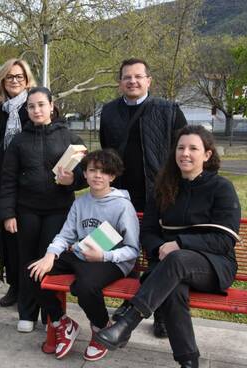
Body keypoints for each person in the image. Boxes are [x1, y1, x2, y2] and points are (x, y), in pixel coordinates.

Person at [95, 125, 241, 368]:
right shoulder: (162, 188)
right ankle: (189, 362)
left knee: (177, 260)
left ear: (206, 155)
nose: (185, 153)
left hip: (214, 266)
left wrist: (179, 244)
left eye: (193, 148)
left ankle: (128, 320)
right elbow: (149, 231)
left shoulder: (221, 188)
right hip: (169, 267)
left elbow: (225, 239)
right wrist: (160, 249)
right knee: (173, 289)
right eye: (181, 147)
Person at [99, 58, 187, 337]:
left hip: (161, 195)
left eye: (138, 76)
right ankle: (129, 306)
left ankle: (161, 314)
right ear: (120, 81)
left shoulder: (169, 110)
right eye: (127, 77)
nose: (132, 81)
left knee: (158, 254)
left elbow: (184, 150)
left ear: (149, 80)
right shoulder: (109, 111)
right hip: (122, 196)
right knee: (124, 250)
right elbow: (106, 150)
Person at [27, 149, 139, 361]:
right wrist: (50, 255)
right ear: (85, 174)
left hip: (113, 261)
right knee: (33, 271)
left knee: (84, 286)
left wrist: (104, 256)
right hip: (83, 256)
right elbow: (65, 235)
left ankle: (101, 329)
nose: (98, 175)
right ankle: (63, 324)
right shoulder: (80, 203)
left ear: (112, 176)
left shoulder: (122, 206)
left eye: (104, 172)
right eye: (92, 170)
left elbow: (132, 250)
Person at [0, 86, 86, 333]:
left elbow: (87, 173)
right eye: (31, 106)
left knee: (49, 262)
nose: (36, 110)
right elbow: (7, 180)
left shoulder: (69, 138)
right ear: (27, 109)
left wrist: (74, 181)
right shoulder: (18, 140)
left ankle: (52, 316)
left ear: (51, 105)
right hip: (26, 211)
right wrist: (8, 213)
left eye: (41, 105)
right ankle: (26, 313)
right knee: (27, 261)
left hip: (58, 211)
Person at [0, 58, 37, 307]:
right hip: (4, 183)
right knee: (7, 238)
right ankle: (15, 286)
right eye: (10, 77)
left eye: (19, 76)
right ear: (2, 81)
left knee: (27, 237)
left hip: (29, 183)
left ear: (27, 80)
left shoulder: (35, 107)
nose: (15, 80)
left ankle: (31, 288)